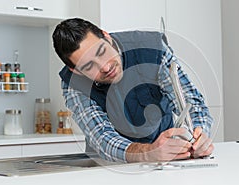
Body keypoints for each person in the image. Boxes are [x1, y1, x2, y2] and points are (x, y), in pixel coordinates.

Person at [52, 18, 214, 163]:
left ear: (106, 36)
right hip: (109, 168)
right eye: (89, 66)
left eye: (102, 52)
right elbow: (102, 137)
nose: (105, 67)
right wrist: (148, 153)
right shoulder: (73, 83)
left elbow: (192, 103)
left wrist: (199, 137)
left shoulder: (152, 49)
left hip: (167, 162)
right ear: (76, 71)